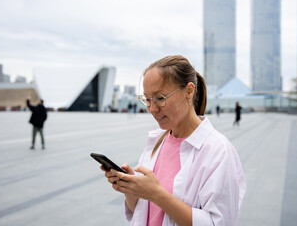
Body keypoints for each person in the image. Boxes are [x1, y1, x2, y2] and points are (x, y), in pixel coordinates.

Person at [101, 55, 246, 225]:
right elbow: (143, 212)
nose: (153, 109)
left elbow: (218, 222)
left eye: (160, 98)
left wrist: (156, 194)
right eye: (147, 99)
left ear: (189, 91)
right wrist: (132, 190)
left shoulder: (218, 151)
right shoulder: (157, 142)